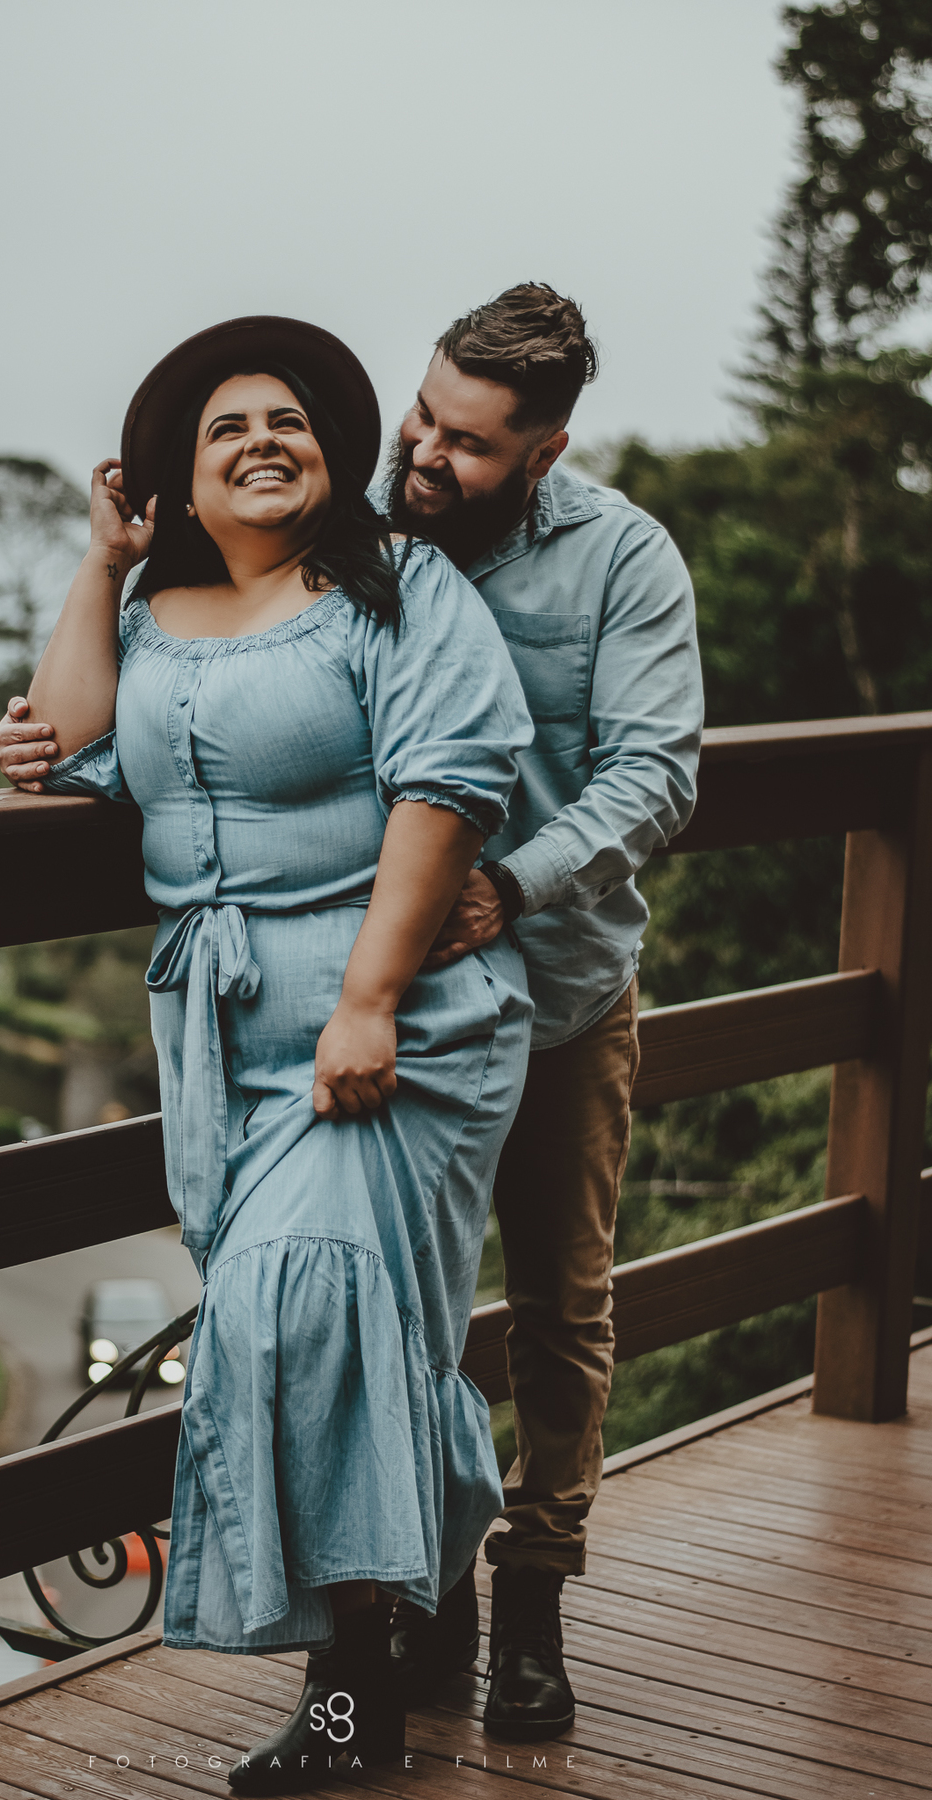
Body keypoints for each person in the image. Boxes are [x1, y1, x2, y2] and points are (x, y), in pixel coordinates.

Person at [0, 316, 535, 1792]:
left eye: (289, 418)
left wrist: (366, 1001)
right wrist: (103, 561)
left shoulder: (394, 587)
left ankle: (351, 1711)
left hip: (398, 1028)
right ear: (179, 469)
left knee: (299, 1316)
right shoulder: (158, 610)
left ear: (333, 450)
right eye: (227, 425)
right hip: (219, 1039)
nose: (263, 439)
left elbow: (450, 780)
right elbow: (66, 735)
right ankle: (436, 1575)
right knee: (359, 1337)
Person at [380, 283, 704, 1741]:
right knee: (412, 1311)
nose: (426, 455)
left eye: (467, 444)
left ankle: (534, 1606)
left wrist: (512, 885)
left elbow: (658, 773)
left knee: (561, 1315)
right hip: (400, 1003)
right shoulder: (366, 535)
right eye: (423, 416)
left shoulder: (624, 558)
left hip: (566, 993)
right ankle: (427, 1596)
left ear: (547, 448)